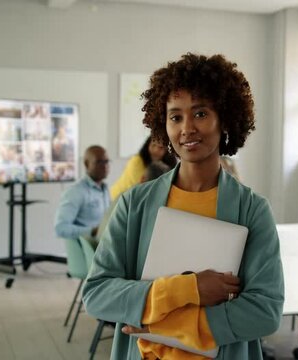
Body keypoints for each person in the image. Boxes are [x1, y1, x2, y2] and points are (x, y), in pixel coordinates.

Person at [83, 53, 284, 359]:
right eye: (176, 116)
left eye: (200, 113)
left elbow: (265, 312)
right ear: (163, 125)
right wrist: (188, 289)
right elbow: (97, 294)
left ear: (224, 118)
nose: (187, 128)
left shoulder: (252, 209)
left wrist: (166, 323)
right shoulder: (134, 204)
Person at [54, 146, 111, 245]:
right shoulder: (76, 191)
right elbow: (60, 228)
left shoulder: (105, 189)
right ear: (86, 164)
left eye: (106, 161)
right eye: (99, 162)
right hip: (89, 251)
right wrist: (93, 231)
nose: (105, 166)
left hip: (103, 247)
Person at [109, 136, 178, 201]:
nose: (156, 150)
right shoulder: (137, 161)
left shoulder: (167, 166)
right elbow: (144, 187)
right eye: (153, 145)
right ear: (148, 145)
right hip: (117, 197)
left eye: (161, 147)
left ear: (167, 151)